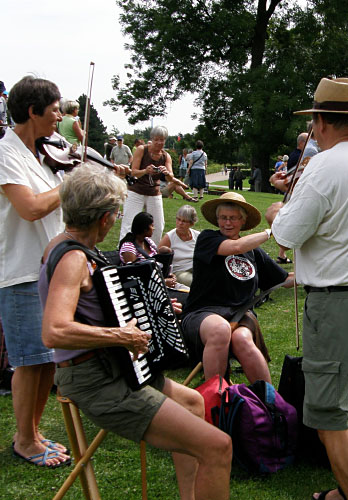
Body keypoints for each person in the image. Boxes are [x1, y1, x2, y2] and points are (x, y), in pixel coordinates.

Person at [40, 164, 231, 499]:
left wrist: (153, 313)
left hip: (112, 367)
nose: (116, 219)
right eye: (115, 213)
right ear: (104, 218)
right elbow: (54, 330)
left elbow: (97, 306)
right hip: (95, 378)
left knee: (192, 402)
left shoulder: (69, 245)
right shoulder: (72, 258)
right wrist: (121, 336)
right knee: (219, 446)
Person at [267, 77, 348, 500]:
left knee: (328, 416)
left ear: (321, 121)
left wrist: (276, 211)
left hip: (340, 305)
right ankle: (345, 493)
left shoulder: (325, 165)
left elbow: (286, 234)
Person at [0, 76, 72, 468]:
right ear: (33, 110)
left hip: (46, 270)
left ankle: (33, 430)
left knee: (45, 358)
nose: (59, 117)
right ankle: (24, 440)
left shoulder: (41, 154)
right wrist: (70, 183)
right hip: (21, 271)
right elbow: (29, 208)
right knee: (29, 361)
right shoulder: (5, 152)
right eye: (56, 108)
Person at [181, 192, 293, 383]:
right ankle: (217, 401)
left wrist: (314, 269)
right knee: (220, 329)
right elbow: (235, 248)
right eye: (223, 218)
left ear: (243, 220)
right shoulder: (207, 239)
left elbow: (285, 281)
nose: (227, 223)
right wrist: (272, 231)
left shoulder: (254, 252)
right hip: (203, 313)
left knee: (242, 339)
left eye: (233, 218)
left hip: (239, 316)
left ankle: (269, 403)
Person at [119, 126, 178, 245]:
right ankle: (123, 250)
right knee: (129, 223)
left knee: (158, 225)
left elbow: (170, 178)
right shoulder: (142, 150)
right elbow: (133, 172)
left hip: (153, 193)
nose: (159, 143)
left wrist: (166, 173)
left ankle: (151, 252)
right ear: (151, 139)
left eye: (162, 140)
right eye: (156, 139)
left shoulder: (166, 156)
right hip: (136, 191)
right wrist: (145, 171)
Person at [119, 211, 177, 288]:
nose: (153, 228)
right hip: (143, 289)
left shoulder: (148, 242)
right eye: (152, 225)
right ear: (144, 229)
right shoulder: (128, 248)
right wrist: (163, 281)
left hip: (157, 283)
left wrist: (168, 275)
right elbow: (133, 278)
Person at [159, 205, 200, 287]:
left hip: (196, 267)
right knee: (195, 282)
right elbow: (159, 259)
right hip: (179, 271)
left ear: (192, 223)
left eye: (184, 221)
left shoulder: (197, 235)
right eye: (178, 219)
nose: (180, 223)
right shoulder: (169, 237)